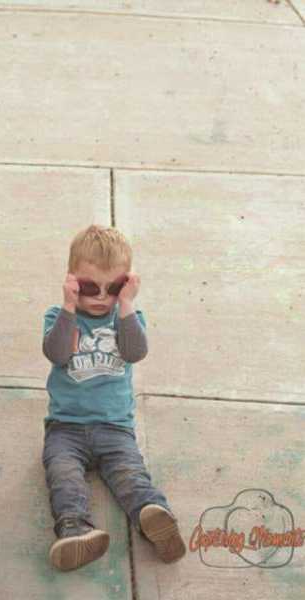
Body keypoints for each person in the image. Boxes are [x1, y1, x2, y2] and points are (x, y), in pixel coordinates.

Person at [41, 225, 185, 570]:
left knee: (130, 474)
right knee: (64, 477)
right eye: (90, 286)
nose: (101, 296)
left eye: (114, 287)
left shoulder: (128, 317)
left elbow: (135, 352)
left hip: (114, 428)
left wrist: (127, 304)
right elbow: (58, 354)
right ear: (72, 279)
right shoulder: (58, 316)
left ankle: (154, 516)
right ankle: (76, 530)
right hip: (65, 428)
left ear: (126, 284)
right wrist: (68, 306)